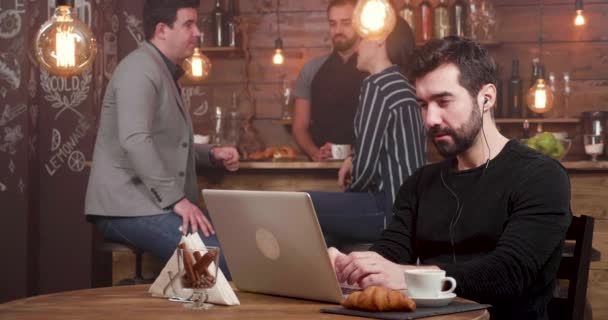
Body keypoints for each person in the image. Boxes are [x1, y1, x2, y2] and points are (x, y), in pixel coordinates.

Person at [329, 37, 572, 320]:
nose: (430, 118)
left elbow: (508, 273)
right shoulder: (421, 182)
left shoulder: (541, 177)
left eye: (443, 101)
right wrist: (351, 268)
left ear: (486, 98)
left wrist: (406, 276)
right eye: (422, 104)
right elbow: (389, 254)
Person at [84, 0, 239, 274]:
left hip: (149, 204)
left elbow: (166, 143)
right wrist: (177, 200)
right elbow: (135, 140)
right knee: (217, 262)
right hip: (124, 209)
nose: (197, 33)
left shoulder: (161, 69)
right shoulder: (139, 70)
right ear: (162, 30)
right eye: (188, 24)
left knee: (235, 246)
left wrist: (211, 154)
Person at [308, 18, 426, 248]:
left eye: (362, 39)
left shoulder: (377, 86)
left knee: (301, 204)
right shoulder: (403, 85)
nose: (357, 46)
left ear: (379, 39)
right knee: (326, 237)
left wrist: (350, 193)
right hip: (412, 211)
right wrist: (353, 157)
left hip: (388, 210)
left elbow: (365, 170)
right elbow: (383, 146)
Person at [292, 0, 368, 161]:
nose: (338, 30)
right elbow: (299, 127)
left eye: (346, 23)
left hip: (366, 168)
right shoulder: (311, 70)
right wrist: (314, 153)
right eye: (333, 24)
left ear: (360, 24)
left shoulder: (375, 69)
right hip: (322, 169)